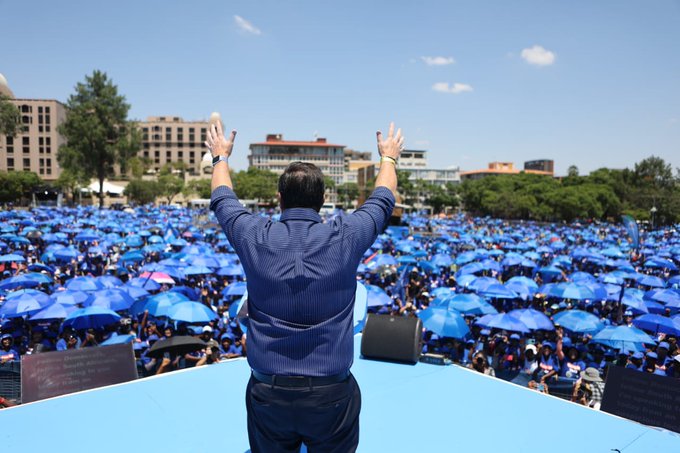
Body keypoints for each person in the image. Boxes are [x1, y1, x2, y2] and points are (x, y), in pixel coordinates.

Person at [207, 120, 402, 453]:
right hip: (331, 397)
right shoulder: (347, 236)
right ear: (323, 200)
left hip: (268, 394)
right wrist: (389, 159)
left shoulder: (255, 234)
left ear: (279, 199)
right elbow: (383, 199)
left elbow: (223, 200)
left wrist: (220, 158)